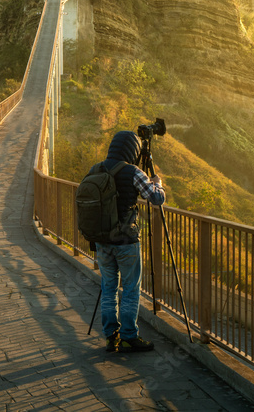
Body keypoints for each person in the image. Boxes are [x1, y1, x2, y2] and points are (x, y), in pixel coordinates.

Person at [94, 130, 165, 353]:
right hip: (126, 242)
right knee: (131, 290)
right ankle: (128, 337)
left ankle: (110, 337)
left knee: (108, 289)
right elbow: (155, 199)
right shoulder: (133, 172)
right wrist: (158, 183)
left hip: (102, 242)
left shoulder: (96, 169)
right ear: (132, 151)